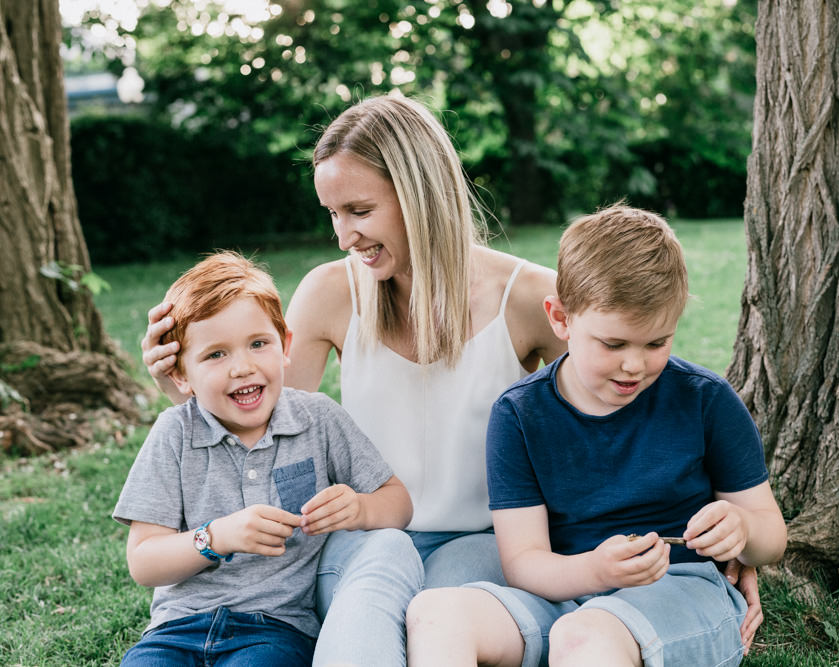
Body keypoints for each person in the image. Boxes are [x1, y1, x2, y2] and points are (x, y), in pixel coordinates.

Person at [139, 94, 762, 665]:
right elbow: (265, 429)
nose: (342, 234)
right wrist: (186, 392)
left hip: (487, 545)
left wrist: (720, 544)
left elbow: (616, 419)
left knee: (437, 604)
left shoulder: (531, 296)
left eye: (359, 210)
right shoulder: (331, 292)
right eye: (332, 213)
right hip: (364, 542)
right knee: (386, 560)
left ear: (418, 196)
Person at [405, 205, 787, 667]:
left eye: (656, 343)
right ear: (560, 318)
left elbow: (771, 536)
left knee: (583, 640)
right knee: (437, 612)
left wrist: (742, 529)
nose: (635, 365)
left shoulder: (704, 400)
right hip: (563, 592)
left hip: (678, 592)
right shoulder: (519, 414)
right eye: (613, 344)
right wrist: (592, 570)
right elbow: (523, 562)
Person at [114, 251, 413, 665]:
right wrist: (216, 537)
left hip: (275, 630)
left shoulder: (317, 418)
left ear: (285, 345)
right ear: (181, 375)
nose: (242, 367)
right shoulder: (175, 432)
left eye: (258, 344)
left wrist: (359, 507)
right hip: (175, 632)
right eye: (216, 354)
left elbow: (398, 502)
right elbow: (144, 561)